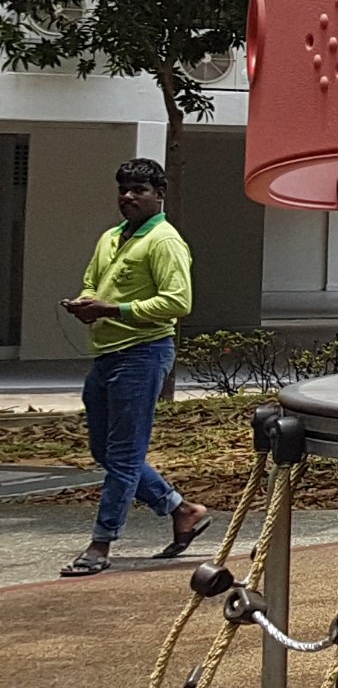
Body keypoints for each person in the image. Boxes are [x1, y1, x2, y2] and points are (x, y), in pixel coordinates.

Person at [60, 157, 209, 577]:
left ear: (159, 195)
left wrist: (113, 309)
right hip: (107, 354)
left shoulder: (164, 240)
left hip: (143, 353)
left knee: (124, 454)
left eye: (139, 190)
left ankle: (101, 543)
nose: (128, 196)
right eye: (123, 189)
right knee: (104, 451)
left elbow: (178, 302)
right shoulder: (111, 237)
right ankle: (181, 509)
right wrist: (86, 302)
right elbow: (93, 282)